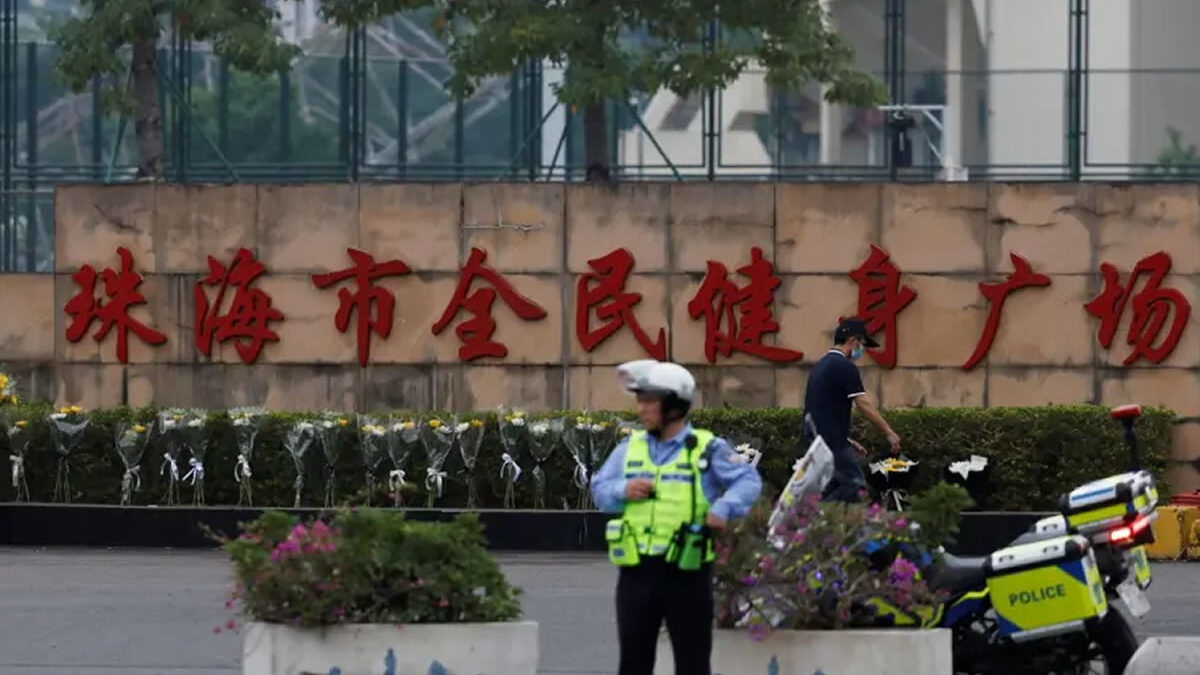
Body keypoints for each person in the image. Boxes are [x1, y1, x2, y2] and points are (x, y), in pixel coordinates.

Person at [591, 360, 762, 675]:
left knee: (693, 662)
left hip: (687, 571)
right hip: (636, 572)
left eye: (650, 402)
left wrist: (723, 508)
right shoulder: (630, 448)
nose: (642, 409)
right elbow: (599, 489)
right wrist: (623, 488)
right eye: (640, 401)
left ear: (674, 406)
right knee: (633, 662)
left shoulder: (707, 447)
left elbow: (748, 481)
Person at [802, 317, 901, 503]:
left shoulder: (821, 366)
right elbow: (863, 403)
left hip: (819, 441)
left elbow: (818, 409)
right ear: (853, 340)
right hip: (831, 444)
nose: (861, 350)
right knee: (854, 485)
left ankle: (820, 524)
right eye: (862, 343)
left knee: (832, 487)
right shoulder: (844, 366)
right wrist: (889, 432)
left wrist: (847, 439)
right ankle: (821, 519)